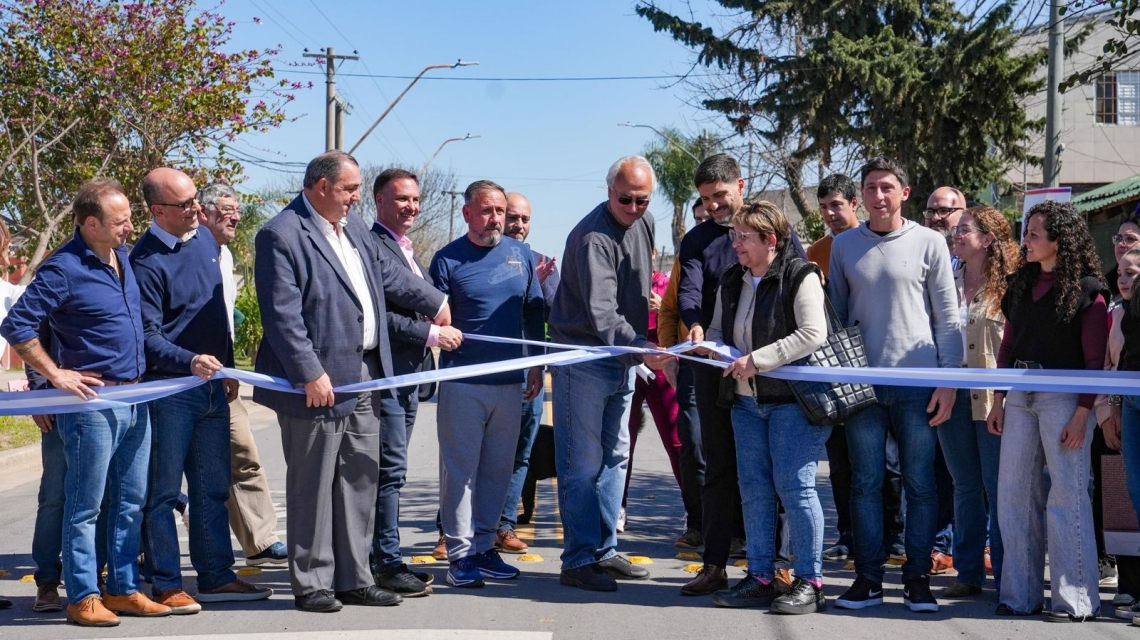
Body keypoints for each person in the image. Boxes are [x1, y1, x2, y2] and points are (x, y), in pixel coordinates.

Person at [253, 150, 449, 612]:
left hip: (365, 375)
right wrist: (309, 373)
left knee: (360, 479)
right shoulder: (281, 234)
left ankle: (354, 578)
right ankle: (312, 583)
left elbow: (388, 274)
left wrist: (436, 302)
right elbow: (282, 315)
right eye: (350, 189)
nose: (357, 197)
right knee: (313, 484)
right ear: (321, 187)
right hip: (317, 383)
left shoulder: (354, 226)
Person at [1, 178, 168, 626]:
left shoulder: (121, 257)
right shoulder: (63, 268)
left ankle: (123, 589)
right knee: (84, 505)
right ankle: (81, 596)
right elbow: (17, 325)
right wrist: (53, 375)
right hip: (92, 406)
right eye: (120, 221)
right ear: (91, 223)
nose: (130, 228)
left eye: (130, 218)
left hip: (134, 398)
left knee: (130, 501)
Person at [133, 168, 269, 611]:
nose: (197, 209)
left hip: (212, 388)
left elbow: (216, 316)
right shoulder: (144, 261)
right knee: (162, 495)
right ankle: (166, 583)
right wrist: (189, 360)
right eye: (186, 204)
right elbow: (147, 336)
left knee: (212, 489)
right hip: (169, 392)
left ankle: (216, 577)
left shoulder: (206, 245)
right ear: (158, 211)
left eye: (196, 199)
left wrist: (226, 366)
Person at [829, 157, 960, 613]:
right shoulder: (843, 246)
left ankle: (917, 579)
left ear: (905, 192)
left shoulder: (930, 242)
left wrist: (948, 381)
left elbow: (948, 317)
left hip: (918, 384)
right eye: (870, 187)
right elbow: (836, 318)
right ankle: (868, 579)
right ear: (861, 195)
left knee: (921, 485)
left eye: (887, 187)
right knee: (865, 485)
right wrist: (838, 380)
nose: (878, 195)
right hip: (862, 387)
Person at [678, 154, 806, 596]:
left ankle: (779, 567)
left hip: (773, 372)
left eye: (720, 196)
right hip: (715, 366)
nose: (713, 207)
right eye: (705, 200)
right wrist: (696, 325)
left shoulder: (775, 231)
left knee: (775, 471)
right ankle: (714, 565)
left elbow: (798, 285)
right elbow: (689, 291)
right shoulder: (696, 240)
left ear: (740, 185)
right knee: (719, 468)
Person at [548, 155, 671, 592]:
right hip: (585, 359)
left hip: (623, 356)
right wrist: (639, 345)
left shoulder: (646, 222)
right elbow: (602, 311)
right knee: (582, 463)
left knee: (616, 456)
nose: (634, 208)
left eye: (642, 200)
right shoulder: (591, 238)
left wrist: (642, 344)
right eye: (625, 199)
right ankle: (578, 559)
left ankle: (604, 548)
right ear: (608, 192)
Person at [705, 201, 829, 614]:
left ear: (770, 240)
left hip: (792, 402)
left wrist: (757, 360)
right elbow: (719, 330)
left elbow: (813, 333)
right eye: (734, 236)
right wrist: (711, 347)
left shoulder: (800, 274)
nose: (735, 244)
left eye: (743, 237)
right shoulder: (732, 278)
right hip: (745, 403)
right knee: (754, 490)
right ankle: (760, 576)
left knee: (796, 489)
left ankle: (810, 582)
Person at [987, 200, 1107, 621]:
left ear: (1059, 240)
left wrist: (1082, 413)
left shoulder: (1089, 291)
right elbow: (1007, 344)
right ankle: (1019, 596)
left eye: (1035, 234)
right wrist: (998, 397)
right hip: (1020, 396)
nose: (1026, 240)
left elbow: (1095, 362)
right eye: (1027, 232)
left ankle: (1075, 601)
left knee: (1067, 497)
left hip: (1066, 400)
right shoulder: (1020, 283)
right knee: (1014, 496)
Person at [429, 180, 545, 588]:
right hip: (462, 383)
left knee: (498, 469)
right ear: (467, 214)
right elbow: (433, 318)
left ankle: (484, 547)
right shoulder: (446, 259)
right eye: (486, 210)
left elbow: (533, 311)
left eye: (500, 211)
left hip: (510, 384)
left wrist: (536, 364)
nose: (495, 218)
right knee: (460, 471)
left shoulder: (521, 254)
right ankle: (460, 555)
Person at [369, 168, 460, 594]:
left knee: (393, 472)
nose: (412, 207)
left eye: (416, 199)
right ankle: (385, 562)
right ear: (379, 201)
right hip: (386, 377)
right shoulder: (374, 246)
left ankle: (382, 557)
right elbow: (377, 317)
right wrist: (430, 335)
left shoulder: (405, 249)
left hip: (410, 377)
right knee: (388, 473)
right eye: (402, 199)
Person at [806, 174, 905, 564]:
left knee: (888, 459)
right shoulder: (814, 252)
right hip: (833, 365)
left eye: (837, 205)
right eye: (823, 207)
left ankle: (894, 534)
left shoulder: (873, 241)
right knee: (842, 460)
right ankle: (848, 534)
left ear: (854, 204)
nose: (830, 213)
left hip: (879, 364)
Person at [196, 184, 288, 570]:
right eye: (226, 209)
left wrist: (231, 368)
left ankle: (260, 539)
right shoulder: (185, 252)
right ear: (202, 212)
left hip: (221, 376)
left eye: (237, 209)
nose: (235, 216)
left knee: (243, 455)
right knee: (164, 478)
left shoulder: (226, 255)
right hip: (180, 379)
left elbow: (225, 322)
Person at [937, 206, 1018, 598]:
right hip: (950, 397)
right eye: (956, 229)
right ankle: (968, 573)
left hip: (993, 402)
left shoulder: (1011, 286)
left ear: (988, 239)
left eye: (964, 229)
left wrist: (1003, 398)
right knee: (965, 486)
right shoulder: (945, 280)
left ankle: (1007, 577)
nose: (956, 234)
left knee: (998, 488)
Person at [494, 190, 559, 556]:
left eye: (525, 219)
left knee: (521, 455)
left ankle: (505, 526)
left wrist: (540, 284)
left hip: (530, 376)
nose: (518, 225)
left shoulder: (542, 263)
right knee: (475, 457)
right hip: (486, 376)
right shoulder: (481, 258)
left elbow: (557, 314)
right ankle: (451, 530)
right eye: (512, 217)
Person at [655, 199, 709, 550]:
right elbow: (669, 311)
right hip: (690, 365)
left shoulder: (739, 251)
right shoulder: (685, 257)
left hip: (733, 366)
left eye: (709, 217)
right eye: (698, 219)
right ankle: (697, 524)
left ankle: (736, 529)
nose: (704, 224)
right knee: (692, 446)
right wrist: (670, 354)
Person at [620, 249, 683, 532]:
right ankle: (617, 506)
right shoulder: (619, 283)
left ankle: (694, 510)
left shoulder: (666, 282)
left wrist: (662, 309)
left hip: (661, 362)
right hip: (628, 362)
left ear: (654, 252)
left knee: (675, 439)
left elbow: (684, 319)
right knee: (622, 441)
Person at [1097, 247, 1140, 620]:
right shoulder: (1118, 313)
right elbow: (1112, 365)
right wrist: (1111, 409)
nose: (1124, 280)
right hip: (1126, 406)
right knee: (1132, 496)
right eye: (1121, 273)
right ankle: (1133, 587)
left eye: (1133, 273)